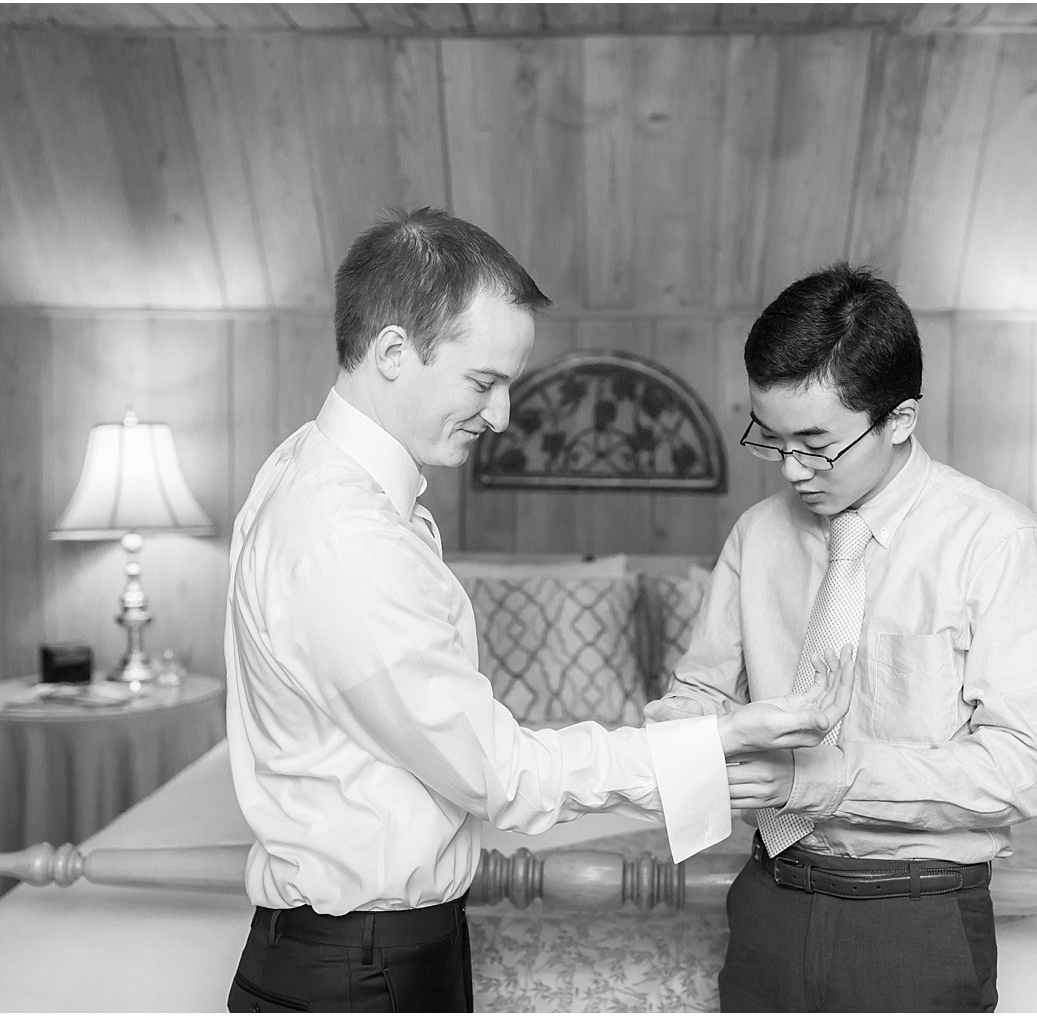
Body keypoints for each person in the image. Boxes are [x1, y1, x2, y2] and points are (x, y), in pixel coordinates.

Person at [222, 207, 847, 1013]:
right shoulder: (350, 539)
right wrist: (715, 740)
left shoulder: (306, 470)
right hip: (359, 969)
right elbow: (501, 774)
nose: (503, 415)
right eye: (484, 382)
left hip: (368, 951)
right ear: (391, 354)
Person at [646, 262, 1037, 1012]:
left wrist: (815, 776)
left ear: (900, 419)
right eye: (769, 440)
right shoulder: (758, 535)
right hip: (768, 898)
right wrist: (681, 743)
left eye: (816, 444)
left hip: (917, 915)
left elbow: (1022, 768)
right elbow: (702, 693)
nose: (791, 469)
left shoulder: (998, 543)